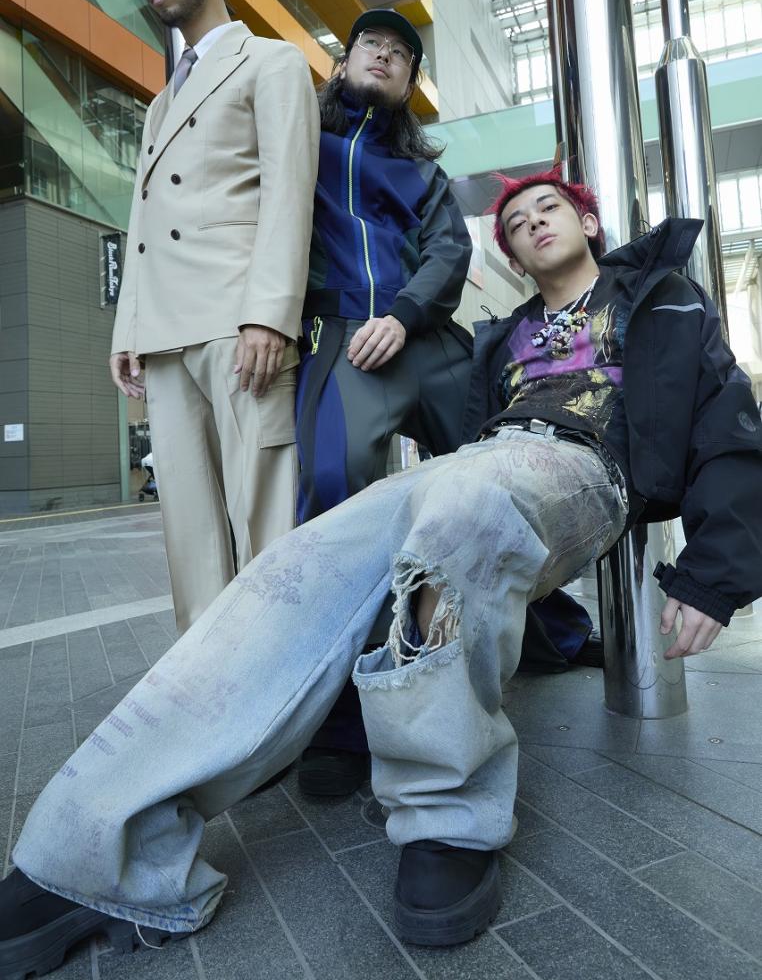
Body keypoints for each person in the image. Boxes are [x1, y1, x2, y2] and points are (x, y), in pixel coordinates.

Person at [3, 171, 761, 973]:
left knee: (466, 513)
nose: (535, 222)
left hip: (585, 467)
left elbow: (727, 421)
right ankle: (92, 846)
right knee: (295, 563)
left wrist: (713, 575)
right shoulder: (499, 337)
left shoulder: (663, 299)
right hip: (477, 460)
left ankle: (445, 816)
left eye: (550, 208)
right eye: (515, 222)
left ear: (589, 222)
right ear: (509, 256)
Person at [109, 0, 319, 632]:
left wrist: (270, 315)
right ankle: (207, 685)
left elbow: (289, 194)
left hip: (238, 327)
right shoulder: (160, 104)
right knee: (189, 539)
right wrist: (127, 328)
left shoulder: (273, 62)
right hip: (165, 338)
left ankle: (281, 682)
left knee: (266, 526)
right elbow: (141, 222)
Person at [296, 8, 474, 795]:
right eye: (372, 43)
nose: (386, 55)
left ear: (409, 82)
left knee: (506, 462)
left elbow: (450, 249)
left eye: (402, 53)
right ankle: (341, 720)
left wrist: (404, 315)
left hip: (423, 335)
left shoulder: (423, 174)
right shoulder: (304, 139)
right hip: (342, 338)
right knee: (334, 488)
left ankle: (553, 632)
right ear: (343, 62)